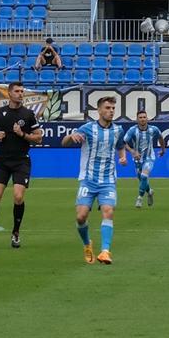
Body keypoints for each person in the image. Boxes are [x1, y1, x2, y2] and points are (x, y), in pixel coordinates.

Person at [60, 95, 126, 264]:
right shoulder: (87, 128)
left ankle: (105, 251)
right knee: (81, 217)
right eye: (107, 108)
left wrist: (122, 157)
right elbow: (64, 143)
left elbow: (120, 146)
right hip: (88, 180)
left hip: (108, 180)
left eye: (113, 108)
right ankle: (87, 243)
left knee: (108, 212)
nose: (111, 111)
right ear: (99, 110)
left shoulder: (118, 130)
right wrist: (71, 136)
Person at [0, 82, 42, 248]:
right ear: (9, 93)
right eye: (17, 91)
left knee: (18, 196)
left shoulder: (29, 114)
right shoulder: (0, 113)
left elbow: (38, 137)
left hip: (21, 161)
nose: (20, 94)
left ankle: (15, 233)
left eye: (22, 91)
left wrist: (22, 134)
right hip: (2, 160)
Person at [121, 107, 163, 210]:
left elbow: (161, 138)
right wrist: (132, 151)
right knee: (142, 180)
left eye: (144, 117)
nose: (143, 119)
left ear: (147, 118)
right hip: (137, 159)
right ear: (137, 119)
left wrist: (163, 150)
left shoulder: (154, 129)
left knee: (144, 176)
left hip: (149, 157)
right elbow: (123, 142)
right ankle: (150, 192)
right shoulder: (132, 130)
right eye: (140, 117)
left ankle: (140, 198)